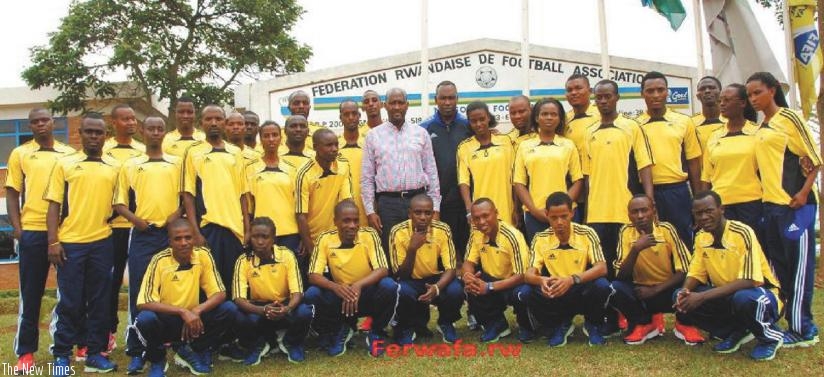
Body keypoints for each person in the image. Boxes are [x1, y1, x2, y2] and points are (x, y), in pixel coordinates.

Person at [747, 71, 821, 347]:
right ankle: (789, 322)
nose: (753, 99)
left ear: (773, 90)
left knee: (800, 267)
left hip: (795, 207)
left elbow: (813, 158)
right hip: (771, 208)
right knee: (781, 268)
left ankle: (804, 329)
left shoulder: (788, 118)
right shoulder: (761, 126)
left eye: (758, 92)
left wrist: (803, 193)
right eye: (750, 94)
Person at [44, 113, 120, 375]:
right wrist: (53, 241)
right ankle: (62, 355)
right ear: (80, 133)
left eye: (98, 132)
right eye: (89, 131)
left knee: (100, 301)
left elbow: (118, 206)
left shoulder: (113, 168)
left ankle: (95, 353)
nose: (94, 136)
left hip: (102, 242)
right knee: (70, 302)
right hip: (71, 244)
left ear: (105, 136)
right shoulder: (65, 165)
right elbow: (54, 206)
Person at [674, 191, 783, 361]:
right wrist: (685, 291)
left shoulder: (742, 232)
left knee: (743, 298)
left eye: (708, 211)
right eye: (698, 213)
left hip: (762, 295)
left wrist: (701, 297)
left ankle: (770, 337)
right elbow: (696, 272)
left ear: (721, 209)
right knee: (681, 297)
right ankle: (736, 332)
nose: (703, 217)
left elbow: (749, 280)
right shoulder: (701, 237)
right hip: (727, 295)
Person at [6, 108, 75, 371]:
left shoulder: (69, 154)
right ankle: (25, 353)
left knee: (69, 295)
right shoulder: (20, 153)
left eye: (44, 120)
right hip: (32, 232)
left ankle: (64, 348)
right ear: (30, 126)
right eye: (35, 122)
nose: (40, 124)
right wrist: (17, 228)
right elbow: (12, 193)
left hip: (66, 232)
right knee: (31, 294)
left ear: (53, 122)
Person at [113, 116, 183, 374]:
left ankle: (173, 344)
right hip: (143, 235)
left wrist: (173, 219)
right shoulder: (131, 165)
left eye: (159, 129)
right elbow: (119, 203)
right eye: (150, 128)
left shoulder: (176, 163)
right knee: (139, 294)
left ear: (165, 132)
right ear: (142, 131)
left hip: (170, 234)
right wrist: (137, 222)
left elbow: (185, 198)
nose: (155, 132)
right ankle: (136, 349)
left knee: (172, 290)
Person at [585, 79, 655, 337]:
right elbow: (585, 176)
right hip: (596, 213)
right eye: (599, 97)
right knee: (603, 271)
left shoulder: (631, 127)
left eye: (607, 96)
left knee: (626, 269)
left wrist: (649, 201)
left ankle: (639, 318)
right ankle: (612, 318)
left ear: (617, 98)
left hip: (624, 211)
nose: (603, 101)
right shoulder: (589, 132)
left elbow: (645, 165)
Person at [133, 219, 236, 375]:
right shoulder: (159, 260)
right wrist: (182, 312)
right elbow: (143, 302)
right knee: (145, 318)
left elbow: (220, 293)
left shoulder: (203, 255)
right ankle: (158, 360)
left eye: (188, 237)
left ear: (194, 239)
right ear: (170, 242)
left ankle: (196, 350)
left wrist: (197, 310)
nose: (184, 243)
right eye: (178, 239)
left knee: (229, 309)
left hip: (194, 321)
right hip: (168, 320)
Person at [304, 200, 399, 357]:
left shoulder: (369, 235)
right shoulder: (324, 239)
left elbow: (383, 269)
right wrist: (336, 287)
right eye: (346, 220)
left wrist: (358, 286)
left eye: (356, 220)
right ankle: (336, 331)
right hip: (340, 295)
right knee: (312, 294)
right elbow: (313, 275)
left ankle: (376, 332)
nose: (352, 225)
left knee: (389, 286)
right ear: (335, 222)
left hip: (365, 293)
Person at [520, 192, 611, 347]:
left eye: (564, 216)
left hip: (579, 286)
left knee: (601, 285)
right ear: (547, 215)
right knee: (526, 292)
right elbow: (528, 274)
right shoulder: (540, 238)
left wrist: (571, 280)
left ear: (572, 213)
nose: (559, 222)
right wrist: (542, 280)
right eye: (554, 218)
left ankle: (593, 324)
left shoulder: (587, 233)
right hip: (556, 290)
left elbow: (602, 268)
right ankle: (559, 324)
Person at [611, 194, 701, 345]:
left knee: (691, 287)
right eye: (635, 212)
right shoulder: (625, 232)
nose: (640, 216)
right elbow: (620, 275)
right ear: (629, 215)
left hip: (667, 289)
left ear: (653, 210)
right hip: (641, 291)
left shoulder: (666, 229)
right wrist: (635, 249)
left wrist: (655, 290)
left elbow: (685, 270)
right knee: (615, 288)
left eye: (644, 210)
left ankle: (684, 324)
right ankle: (645, 323)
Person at [362, 87, 441, 254]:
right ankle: (394, 281)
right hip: (388, 205)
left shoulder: (421, 133)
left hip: (418, 202)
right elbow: (367, 177)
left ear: (407, 105)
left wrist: (435, 208)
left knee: (422, 250)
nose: (396, 107)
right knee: (392, 251)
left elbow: (432, 172)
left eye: (400, 103)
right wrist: (370, 211)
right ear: (385, 105)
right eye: (392, 103)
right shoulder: (373, 136)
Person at [182, 105, 250, 295]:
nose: (213, 123)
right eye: (208, 119)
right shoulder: (193, 152)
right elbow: (188, 194)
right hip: (208, 227)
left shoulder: (236, 152)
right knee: (208, 286)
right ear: (201, 123)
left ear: (224, 123)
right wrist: (195, 232)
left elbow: (243, 193)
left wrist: (247, 227)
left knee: (233, 286)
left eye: (218, 119)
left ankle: (231, 324)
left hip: (234, 231)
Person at [232, 217, 313, 365]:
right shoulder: (243, 260)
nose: (260, 241)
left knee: (305, 311)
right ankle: (258, 344)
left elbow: (297, 292)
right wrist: (262, 310)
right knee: (236, 313)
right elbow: (239, 299)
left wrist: (287, 308)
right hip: (260, 308)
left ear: (274, 238)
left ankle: (291, 342)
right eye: (255, 236)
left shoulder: (286, 255)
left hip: (284, 306)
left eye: (265, 237)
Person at [636, 71, 702, 249]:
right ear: (642, 94)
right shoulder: (634, 125)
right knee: (654, 242)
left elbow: (694, 162)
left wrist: (697, 199)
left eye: (660, 90)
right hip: (645, 192)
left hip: (677, 191)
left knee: (683, 240)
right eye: (650, 91)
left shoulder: (684, 121)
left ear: (667, 92)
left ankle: (688, 276)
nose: (656, 95)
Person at [102, 104, 146, 354]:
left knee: (141, 284)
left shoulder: (142, 151)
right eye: (125, 119)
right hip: (112, 228)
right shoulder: (104, 149)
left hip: (140, 227)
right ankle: (108, 332)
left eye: (133, 118)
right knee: (111, 283)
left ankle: (141, 331)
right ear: (114, 122)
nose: (131, 122)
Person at [390, 194, 463, 344]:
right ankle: (405, 327)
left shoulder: (443, 229)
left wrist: (436, 288)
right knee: (400, 290)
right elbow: (400, 274)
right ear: (410, 213)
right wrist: (412, 249)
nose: (423, 217)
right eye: (418, 212)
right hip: (410, 280)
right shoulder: (397, 232)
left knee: (456, 289)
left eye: (428, 213)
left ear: (433, 214)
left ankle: (446, 322)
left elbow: (451, 268)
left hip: (434, 279)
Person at [461, 198, 533, 343]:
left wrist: (489, 287)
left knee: (522, 293)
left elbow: (522, 275)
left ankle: (526, 326)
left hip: (514, 282)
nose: (481, 222)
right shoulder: (476, 233)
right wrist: (468, 276)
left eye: (485, 216)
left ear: (496, 213)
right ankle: (496, 324)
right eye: (476, 218)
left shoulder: (512, 235)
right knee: (471, 286)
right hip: (492, 279)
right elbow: (468, 262)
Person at [514, 98, 583, 243]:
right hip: (535, 215)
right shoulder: (524, 146)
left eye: (554, 114)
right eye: (544, 114)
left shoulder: (568, 145)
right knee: (540, 260)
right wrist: (533, 210)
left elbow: (578, 180)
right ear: (536, 118)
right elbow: (519, 183)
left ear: (560, 118)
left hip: (565, 215)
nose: (549, 117)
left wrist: (562, 209)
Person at [420, 81, 471, 263]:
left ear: (457, 99)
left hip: (465, 201)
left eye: (451, 98)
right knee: (442, 255)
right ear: (436, 100)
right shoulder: (424, 129)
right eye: (443, 98)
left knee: (468, 251)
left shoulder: (468, 126)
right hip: (439, 203)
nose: (447, 102)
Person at [699, 84, 761, 231]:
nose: (722, 104)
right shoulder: (715, 136)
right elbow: (706, 177)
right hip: (722, 206)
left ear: (743, 103)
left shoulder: (757, 132)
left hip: (752, 203)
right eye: (721, 100)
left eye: (727, 100)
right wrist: (703, 205)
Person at [296, 128, 353, 270]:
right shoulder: (304, 173)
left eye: (336, 144)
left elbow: (347, 203)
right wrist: (309, 246)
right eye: (329, 145)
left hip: (335, 238)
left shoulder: (343, 165)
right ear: (315, 147)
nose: (334, 149)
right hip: (312, 239)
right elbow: (300, 215)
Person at [458, 101, 516, 226]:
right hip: (480, 211)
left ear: (488, 117)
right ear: (469, 122)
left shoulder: (506, 141)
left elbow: (515, 176)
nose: (479, 124)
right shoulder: (464, 147)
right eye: (474, 121)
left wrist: (516, 208)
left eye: (482, 119)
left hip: (505, 208)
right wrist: (469, 209)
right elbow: (464, 182)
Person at [247, 121, 300, 254]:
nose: (271, 139)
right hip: (262, 235)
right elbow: (248, 206)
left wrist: (303, 236)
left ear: (281, 139)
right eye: (266, 136)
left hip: (290, 232)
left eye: (275, 135)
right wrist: (248, 231)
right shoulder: (250, 168)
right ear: (261, 139)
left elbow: (298, 205)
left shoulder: (292, 169)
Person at [564, 74, 600, 223]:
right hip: (574, 189)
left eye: (578, 88)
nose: (574, 92)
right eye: (570, 89)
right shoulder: (564, 120)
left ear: (590, 90)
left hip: (598, 184)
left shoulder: (601, 115)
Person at [338, 99, 369, 227]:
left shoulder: (369, 144)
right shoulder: (333, 146)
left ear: (359, 116)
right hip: (341, 211)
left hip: (367, 209)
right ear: (340, 117)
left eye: (354, 113)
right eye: (346, 114)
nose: (351, 118)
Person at [691, 76, 726, 151]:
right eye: (702, 89)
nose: (707, 91)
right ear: (697, 96)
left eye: (712, 87)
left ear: (721, 93)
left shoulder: (732, 120)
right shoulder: (690, 124)